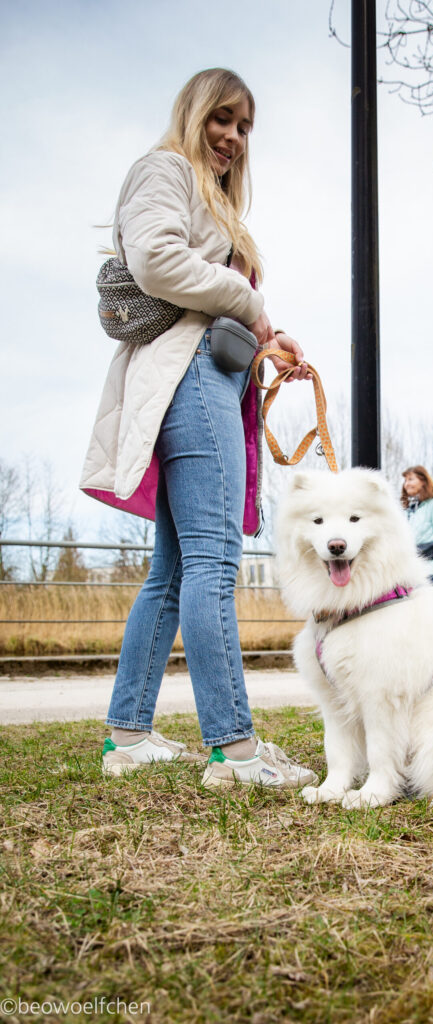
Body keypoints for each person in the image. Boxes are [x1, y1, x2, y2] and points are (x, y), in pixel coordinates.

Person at [80, 68, 317, 790]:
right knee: (213, 563)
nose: (233, 137)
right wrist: (248, 300)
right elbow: (155, 259)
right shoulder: (164, 169)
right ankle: (236, 752)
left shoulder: (209, 195)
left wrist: (268, 341)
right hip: (191, 383)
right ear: (193, 113)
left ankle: (128, 737)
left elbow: (209, 309)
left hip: (205, 375)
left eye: (244, 127)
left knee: (176, 569)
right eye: (222, 118)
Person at [400, 466, 433, 586]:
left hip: (428, 571)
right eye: (405, 480)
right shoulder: (406, 509)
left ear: (423, 481)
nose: (406, 484)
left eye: (411, 479)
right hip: (407, 571)